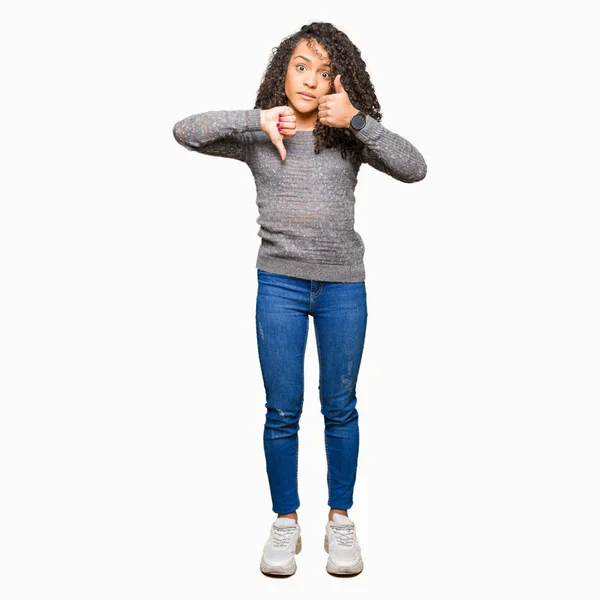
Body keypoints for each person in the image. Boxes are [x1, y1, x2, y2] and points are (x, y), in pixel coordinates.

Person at [173, 21, 427, 577]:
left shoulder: (348, 136)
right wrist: (255, 118)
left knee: (340, 406)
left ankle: (340, 519)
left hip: (343, 286)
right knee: (282, 410)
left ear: (341, 79)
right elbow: (184, 130)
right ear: (283, 72)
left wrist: (358, 121)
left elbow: (416, 169)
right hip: (279, 287)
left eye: (325, 70)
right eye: (301, 66)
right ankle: (285, 521)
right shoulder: (262, 134)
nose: (311, 80)